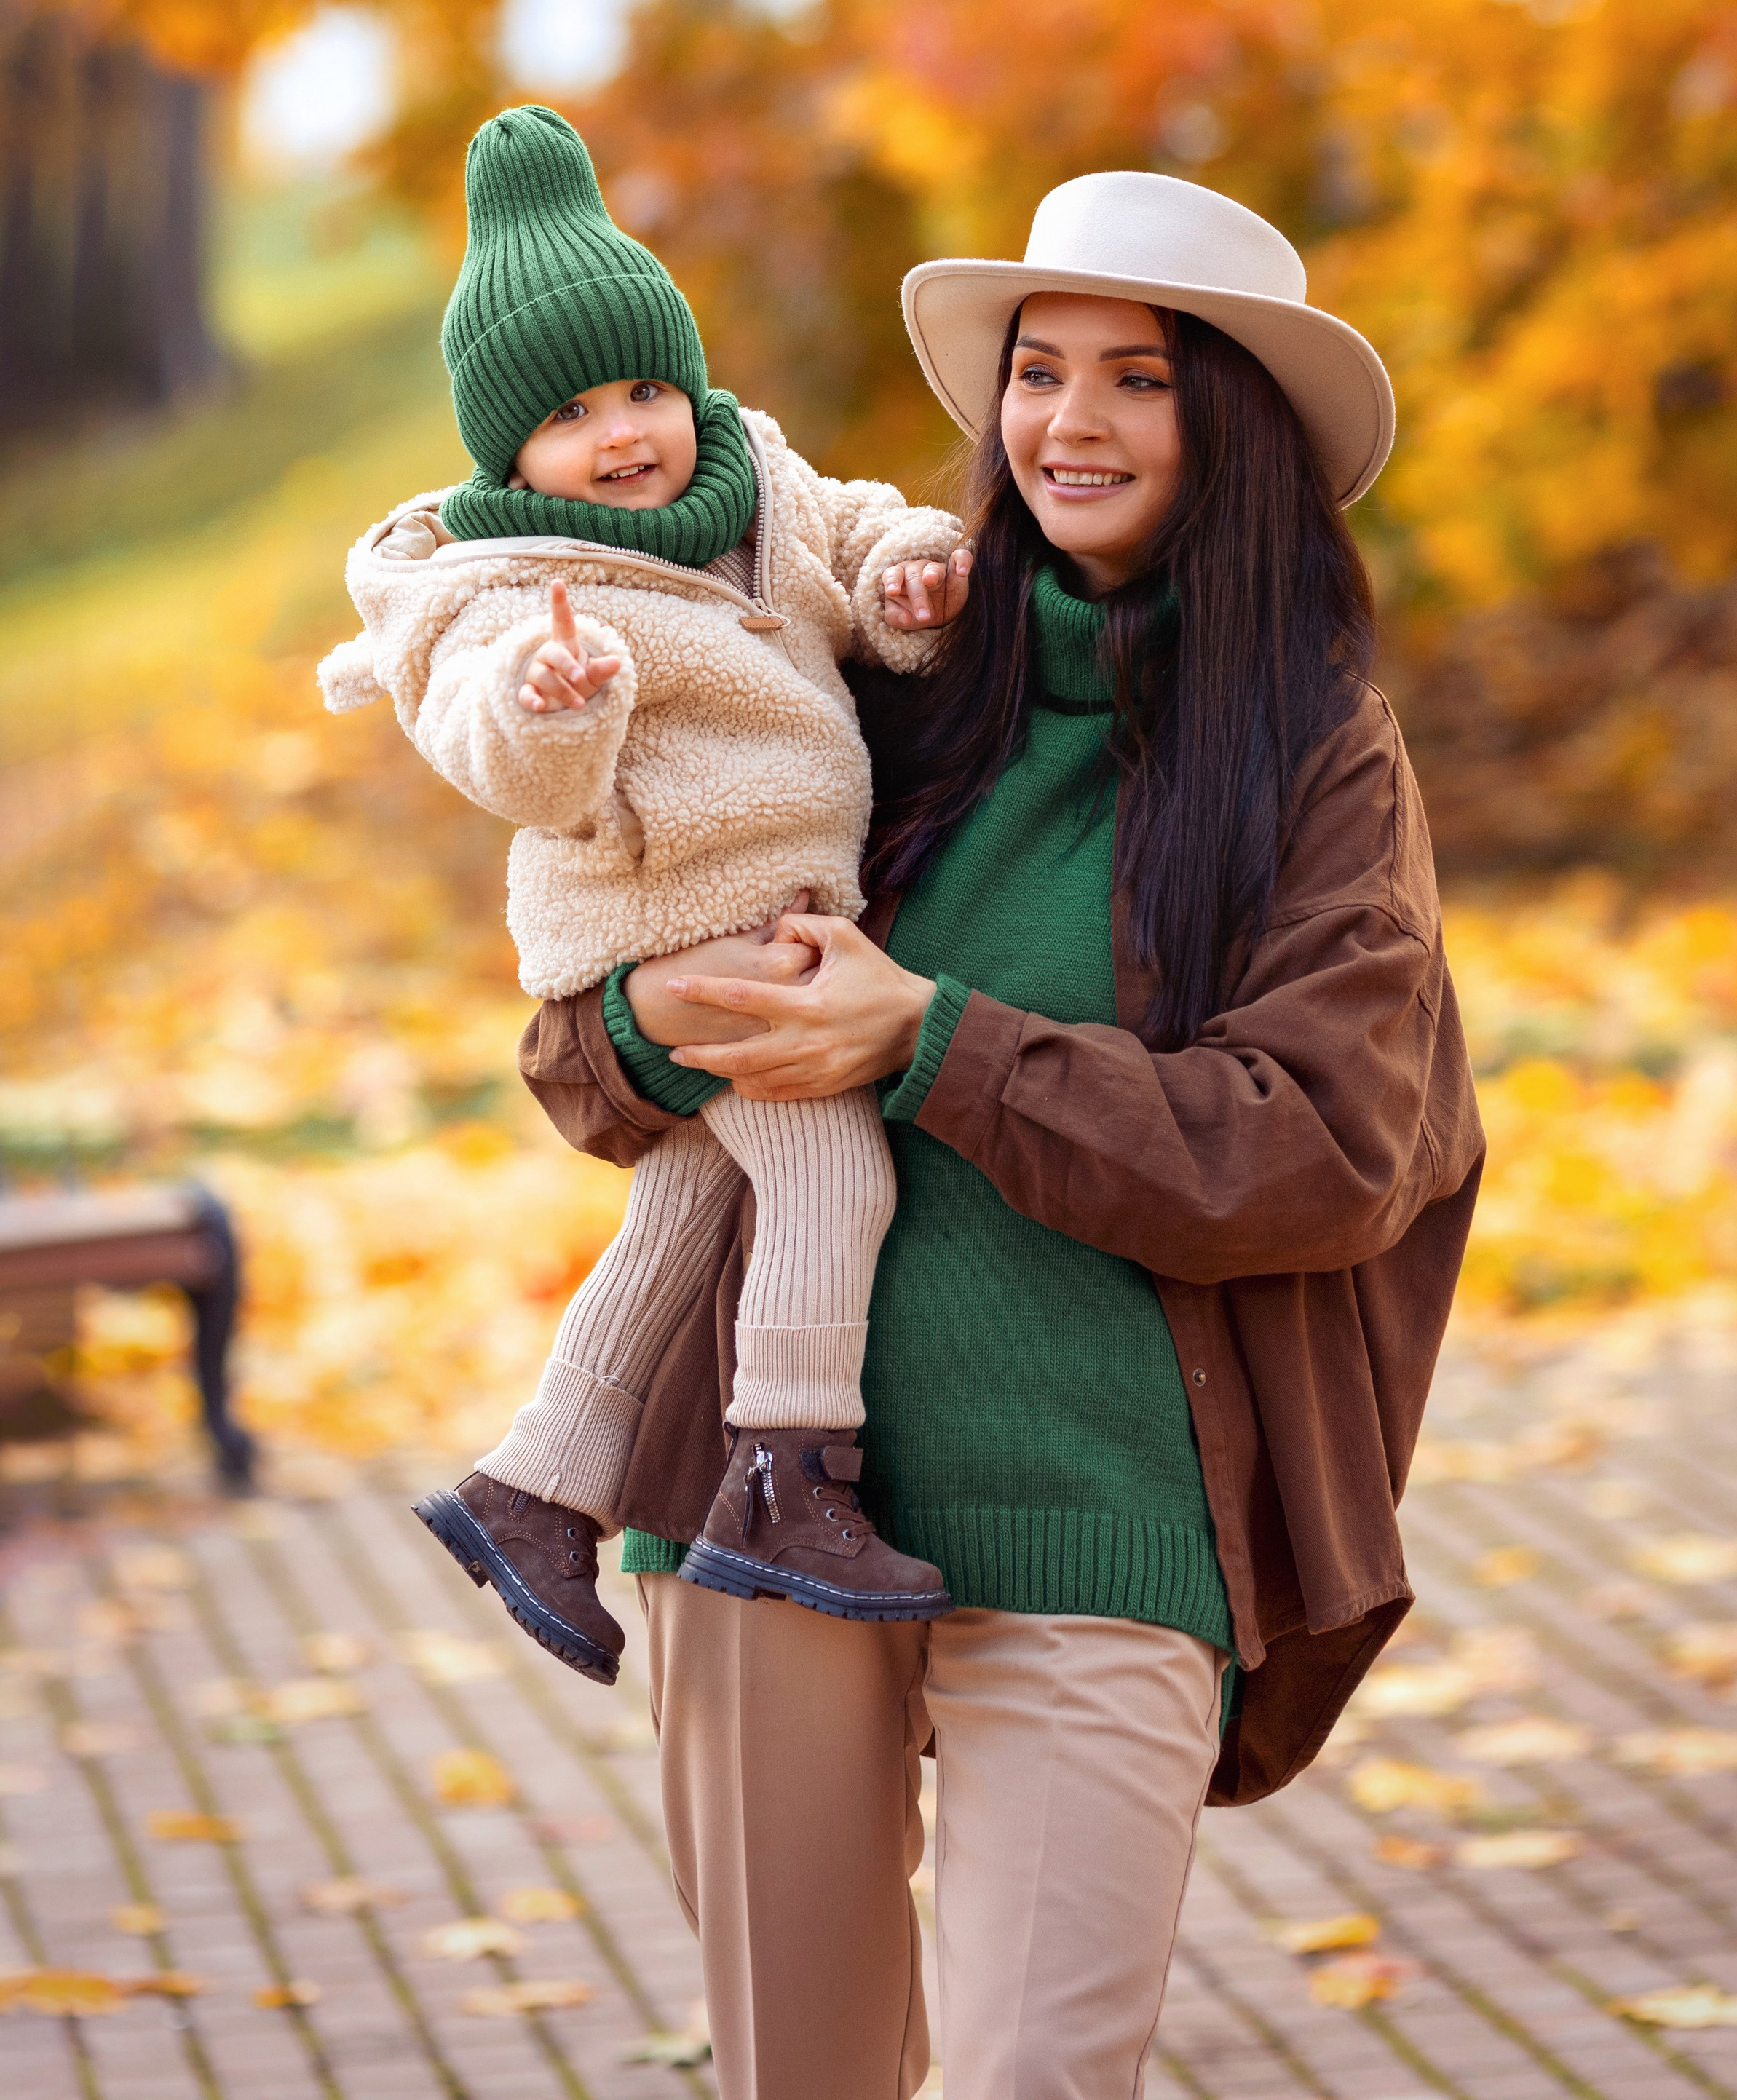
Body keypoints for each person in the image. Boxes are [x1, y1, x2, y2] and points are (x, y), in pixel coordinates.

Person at [519, 168, 1487, 2100]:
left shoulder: (1313, 754)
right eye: (1039, 372)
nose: (1069, 421)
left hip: (1104, 1521)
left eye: (1139, 378)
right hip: (765, 1511)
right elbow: (579, 1051)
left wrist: (934, 1040)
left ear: (1236, 429)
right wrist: (644, 1020)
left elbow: (1321, 1146)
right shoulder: (872, 682)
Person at [319, 103, 973, 1684]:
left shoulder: (761, 482)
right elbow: (499, 754)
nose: (622, 433)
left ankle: (534, 1484)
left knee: (687, 1205)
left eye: (643, 390)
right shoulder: (498, 589)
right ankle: (788, 1481)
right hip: (671, 924)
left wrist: (911, 570)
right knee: (835, 1180)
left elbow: (867, 533)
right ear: (510, 455)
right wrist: (552, 701)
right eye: (569, 415)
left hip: (772, 913)